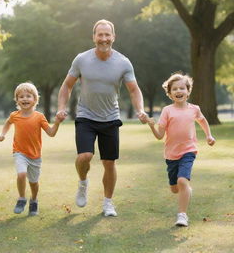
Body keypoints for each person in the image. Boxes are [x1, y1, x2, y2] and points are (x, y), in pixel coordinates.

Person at [57, 19, 148, 217]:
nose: (104, 39)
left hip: (110, 117)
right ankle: (83, 182)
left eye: (108, 35)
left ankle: (108, 203)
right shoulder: (81, 59)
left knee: (109, 162)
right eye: (100, 35)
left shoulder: (123, 62)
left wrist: (140, 109)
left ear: (113, 37)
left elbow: (134, 90)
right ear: (94, 37)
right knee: (85, 156)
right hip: (86, 115)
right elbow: (67, 86)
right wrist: (62, 107)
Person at [147, 72, 215, 227]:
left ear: (188, 91)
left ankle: (182, 215)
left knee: (182, 180)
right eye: (175, 89)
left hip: (188, 151)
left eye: (182, 88)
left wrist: (209, 136)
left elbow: (203, 121)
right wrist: (152, 126)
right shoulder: (167, 111)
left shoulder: (194, 109)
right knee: (175, 188)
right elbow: (159, 136)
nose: (179, 91)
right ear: (170, 93)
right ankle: (186, 190)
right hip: (171, 154)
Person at [0, 82, 64, 216]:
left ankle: (34, 201)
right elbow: (7, 123)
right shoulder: (14, 115)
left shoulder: (39, 117)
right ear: (17, 100)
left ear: (35, 99)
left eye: (28, 96)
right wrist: (3, 134)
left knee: (33, 183)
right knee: (21, 174)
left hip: (35, 155)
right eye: (21, 96)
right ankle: (22, 198)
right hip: (19, 152)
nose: (25, 99)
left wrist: (57, 123)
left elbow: (51, 133)